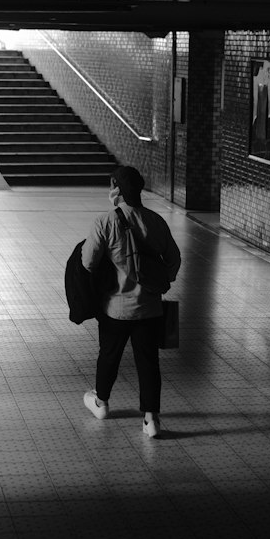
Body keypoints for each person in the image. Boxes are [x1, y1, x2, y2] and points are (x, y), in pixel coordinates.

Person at [81, 165, 181, 439]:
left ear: (116, 190)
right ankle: (151, 420)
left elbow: (88, 261)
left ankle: (101, 402)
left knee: (109, 355)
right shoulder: (156, 221)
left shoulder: (106, 221)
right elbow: (174, 260)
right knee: (148, 362)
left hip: (115, 308)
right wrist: (160, 281)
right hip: (149, 308)